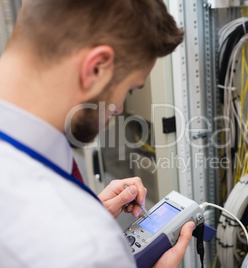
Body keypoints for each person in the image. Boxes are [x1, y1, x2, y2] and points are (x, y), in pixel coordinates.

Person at [0, 0, 194, 267]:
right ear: (96, 68)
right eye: (129, 89)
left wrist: (90, 209)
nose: (119, 108)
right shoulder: (90, 247)